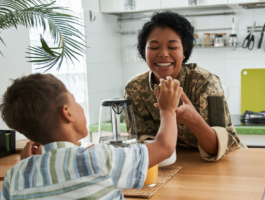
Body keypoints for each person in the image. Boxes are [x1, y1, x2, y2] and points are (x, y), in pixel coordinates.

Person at [0, 73, 182, 200]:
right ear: (67, 113)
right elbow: (165, 147)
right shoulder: (99, 159)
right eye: (75, 101)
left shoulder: (15, 177)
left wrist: (26, 165)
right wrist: (168, 109)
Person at [124, 11, 246, 162]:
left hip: (223, 164)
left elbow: (222, 146)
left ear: (184, 51)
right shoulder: (135, 89)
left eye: (172, 47)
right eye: (154, 47)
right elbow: (142, 144)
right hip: (171, 165)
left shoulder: (205, 82)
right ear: (144, 51)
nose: (163, 53)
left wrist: (193, 120)